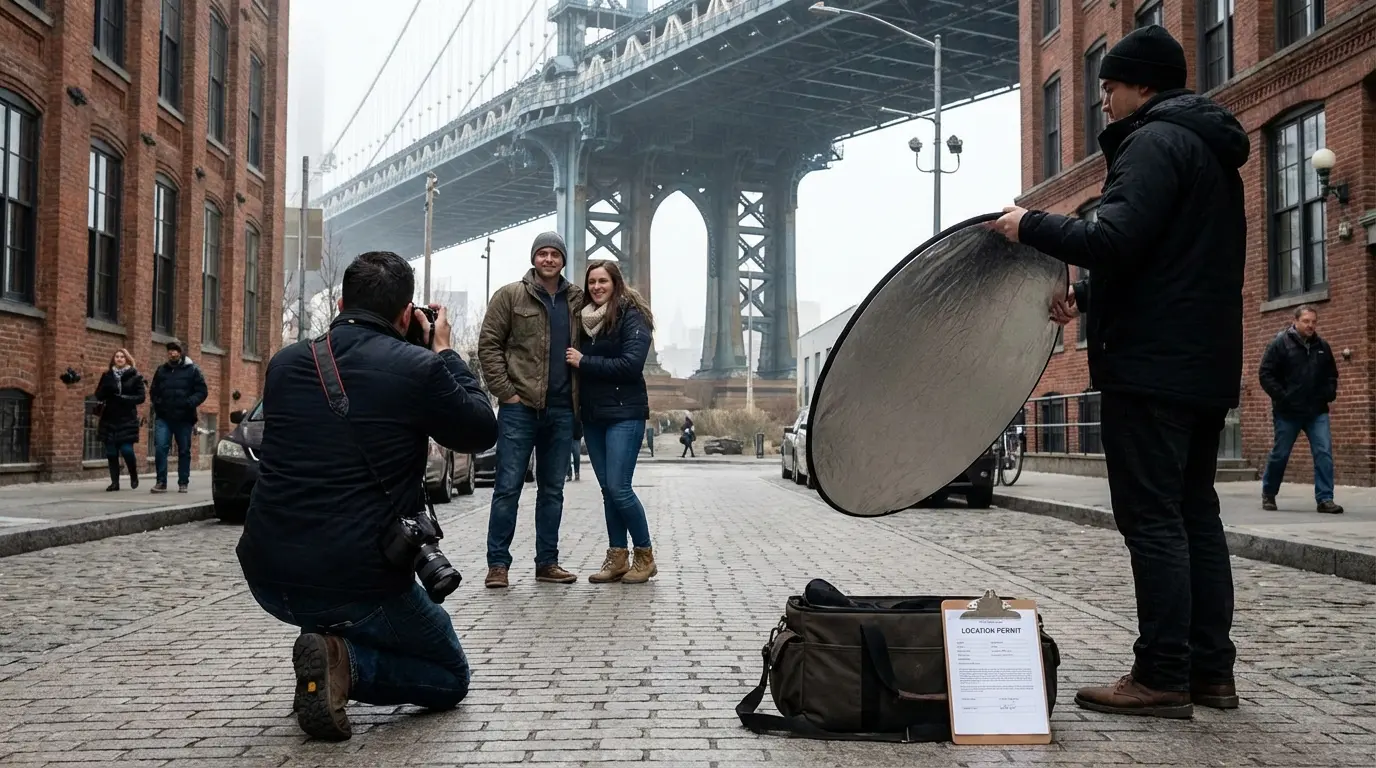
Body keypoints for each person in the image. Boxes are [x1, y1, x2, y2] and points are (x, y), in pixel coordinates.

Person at [992, 25, 1249, 718]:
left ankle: (1163, 673)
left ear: (1143, 86)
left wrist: (1030, 225)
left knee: (1154, 520)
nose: (1102, 98)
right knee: (1196, 515)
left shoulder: (1154, 142)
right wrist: (1090, 296)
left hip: (1150, 368)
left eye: (1110, 85)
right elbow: (1167, 263)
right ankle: (1210, 672)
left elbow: (1114, 237)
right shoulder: (1205, 151)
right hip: (1200, 363)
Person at [236, 250, 498, 741]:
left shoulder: (285, 364)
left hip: (269, 576)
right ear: (405, 314)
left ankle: (325, 649)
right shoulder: (419, 368)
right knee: (450, 676)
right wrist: (443, 351)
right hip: (357, 582)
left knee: (332, 579)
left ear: (339, 301)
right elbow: (481, 430)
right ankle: (343, 665)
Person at [477, 231, 584, 589]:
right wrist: (506, 394)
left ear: (563, 259)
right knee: (507, 488)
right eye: (543, 253)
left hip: (560, 410)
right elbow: (489, 345)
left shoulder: (577, 301)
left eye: (555, 253)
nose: (549, 259)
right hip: (519, 410)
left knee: (552, 490)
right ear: (534, 258)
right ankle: (498, 565)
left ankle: (547, 563)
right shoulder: (510, 295)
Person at [567, 259, 659, 585]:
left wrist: (584, 361)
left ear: (616, 282)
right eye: (591, 281)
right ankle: (617, 556)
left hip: (624, 413)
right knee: (608, 490)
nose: (596, 287)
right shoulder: (583, 319)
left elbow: (630, 365)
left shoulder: (632, 316)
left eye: (603, 281)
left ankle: (645, 556)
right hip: (594, 416)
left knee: (620, 488)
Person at [1258, 305, 1343, 514]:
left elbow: (1331, 374)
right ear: (1295, 321)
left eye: (1314, 322)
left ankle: (1325, 499)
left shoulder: (1322, 346)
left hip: (1316, 411)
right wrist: (1283, 397)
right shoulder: (1280, 344)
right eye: (1306, 321)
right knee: (1281, 453)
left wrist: (1329, 392)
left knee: (1324, 453)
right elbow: (1265, 374)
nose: (1311, 325)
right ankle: (1269, 493)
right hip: (1288, 412)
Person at [148, 341, 207, 493]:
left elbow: (202, 391)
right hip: (164, 417)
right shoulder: (161, 370)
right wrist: (158, 404)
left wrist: (190, 402)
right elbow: (153, 391)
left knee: (184, 450)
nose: (173, 353)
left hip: (184, 418)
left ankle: (183, 482)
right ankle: (161, 482)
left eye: (175, 351)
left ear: (181, 353)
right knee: (161, 448)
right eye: (170, 351)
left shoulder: (192, 370)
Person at [94, 348, 146, 492]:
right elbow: (98, 394)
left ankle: (133, 474)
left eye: (122, 357)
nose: (119, 359)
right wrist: (106, 389)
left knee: (127, 450)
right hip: (109, 418)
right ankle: (114, 483)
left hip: (127, 418)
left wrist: (125, 399)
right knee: (111, 452)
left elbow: (141, 397)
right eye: (117, 356)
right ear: (113, 359)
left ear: (127, 359)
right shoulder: (107, 375)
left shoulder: (135, 376)